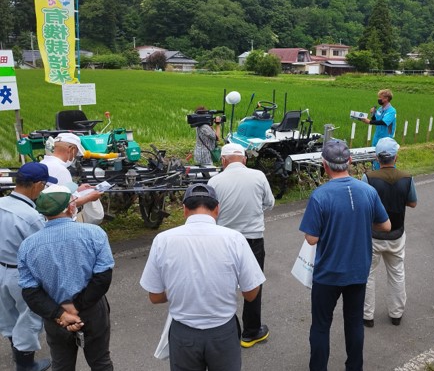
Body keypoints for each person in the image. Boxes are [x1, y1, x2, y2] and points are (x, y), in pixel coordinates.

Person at [140, 183, 266, 371]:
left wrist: (179, 289)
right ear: (217, 209)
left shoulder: (163, 240)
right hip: (223, 332)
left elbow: (155, 296)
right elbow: (251, 293)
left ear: (184, 210)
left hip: (183, 334)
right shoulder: (234, 239)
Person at [299, 139, 390, 371]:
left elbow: (311, 238)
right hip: (358, 270)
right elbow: (386, 225)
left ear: (324, 164)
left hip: (327, 273)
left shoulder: (320, 196)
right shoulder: (368, 191)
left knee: (320, 326)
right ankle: (354, 367)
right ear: (349, 161)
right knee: (354, 323)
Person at [18, 185, 115, 370]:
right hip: (92, 309)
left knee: (61, 364)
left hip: (55, 313)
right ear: (71, 208)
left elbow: (30, 291)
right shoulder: (94, 234)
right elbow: (102, 277)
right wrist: (76, 307)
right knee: (101, 362)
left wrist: (61, 314)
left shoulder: (27, 246)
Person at [207, 143, 274, 348]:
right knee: (252, 284)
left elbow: (211, 211)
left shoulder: (214, 181)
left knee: (220, 283)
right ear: (244, 159)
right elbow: (269, 203)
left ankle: (219, 329)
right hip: (253, 238)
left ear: (224, 161)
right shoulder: (258, 176)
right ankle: (251, 332)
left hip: (224, 239)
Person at [0, 163, 56, 371]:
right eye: (44, 186)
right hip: (21, 274)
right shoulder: (31, 217)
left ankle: (18, 355)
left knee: (7, 315)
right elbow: (43, 249)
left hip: (0, 268)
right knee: (28, 319)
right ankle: (25, 365)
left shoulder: (1, 203)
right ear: (37, 185)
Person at [362, 138, 417, 328]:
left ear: (377, 157)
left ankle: (367, 315)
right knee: (397, 273)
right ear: (396, 157)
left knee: (368, 275)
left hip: (373, 234)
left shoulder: (368, 178)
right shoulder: (407, 177)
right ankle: (396, 314)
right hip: (397, 233)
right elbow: (412, 203)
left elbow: (364, 205)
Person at [40, 133, 102, 210]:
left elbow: (56, 192)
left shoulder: (43, 163)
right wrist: (90, 197)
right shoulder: (61, 170)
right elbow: (69, 203)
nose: (74, 157)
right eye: (75, 153)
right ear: (71, 149)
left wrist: (78, 189)